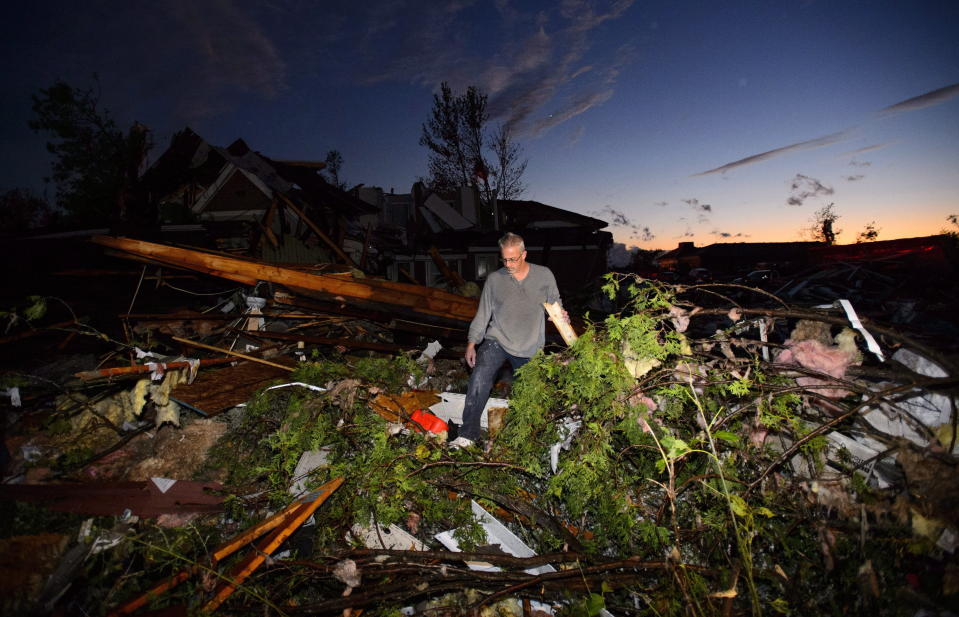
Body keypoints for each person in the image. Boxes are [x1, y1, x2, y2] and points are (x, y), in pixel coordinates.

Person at [450, 232, 563, 449]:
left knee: (531, 393)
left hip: (530, 344)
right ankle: (468, 435)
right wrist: (472, 342)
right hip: (498, 339)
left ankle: (528, 441)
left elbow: (555, 304)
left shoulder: (544, 275)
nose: (509, 264)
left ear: (524, 254)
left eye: (513, 259)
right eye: (505, 259)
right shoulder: (494, 280)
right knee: (480, 376)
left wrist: (560, 315)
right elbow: (483, 313)